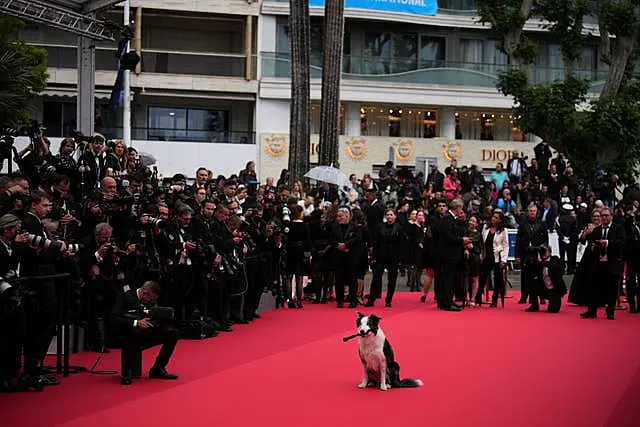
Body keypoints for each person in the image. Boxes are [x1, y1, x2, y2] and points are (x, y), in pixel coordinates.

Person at [109, 281, 179, 385]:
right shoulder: (126, 297)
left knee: (173, 333)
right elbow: (113, 318)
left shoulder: (151, 301)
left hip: (146, 333)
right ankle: (128, 372)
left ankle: (157, 369)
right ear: (144, 293)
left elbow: (152, 313)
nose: (151, 301)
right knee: (134, 332)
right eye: (150, 298)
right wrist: (136, 322)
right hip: (128, 334)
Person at [579, 207, 625, 320]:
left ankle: (610, 311)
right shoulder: (596, 230)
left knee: (611, 289)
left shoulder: (617, 228)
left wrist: (608, 243)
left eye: (606, 215)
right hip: (597, 263)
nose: (604, 218)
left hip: (612, 263)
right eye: (602, 215)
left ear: (611, 217)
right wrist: (593, 246)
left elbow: (622, 242)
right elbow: (585, 242)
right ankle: (591, 311)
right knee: (593, 287)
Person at [526, 245, 567, 313]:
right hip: (543, 288)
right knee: (532, 282)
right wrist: (532, 259)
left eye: (545, 251)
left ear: (550, 253)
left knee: (553, 310)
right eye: (542, 252)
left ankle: (553, 301)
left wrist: (542, 262)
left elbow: (554, 266)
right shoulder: (538, 262)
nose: (544, 253)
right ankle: (534, 305)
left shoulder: (555, 259)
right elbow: (530, 273)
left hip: (554, 290)